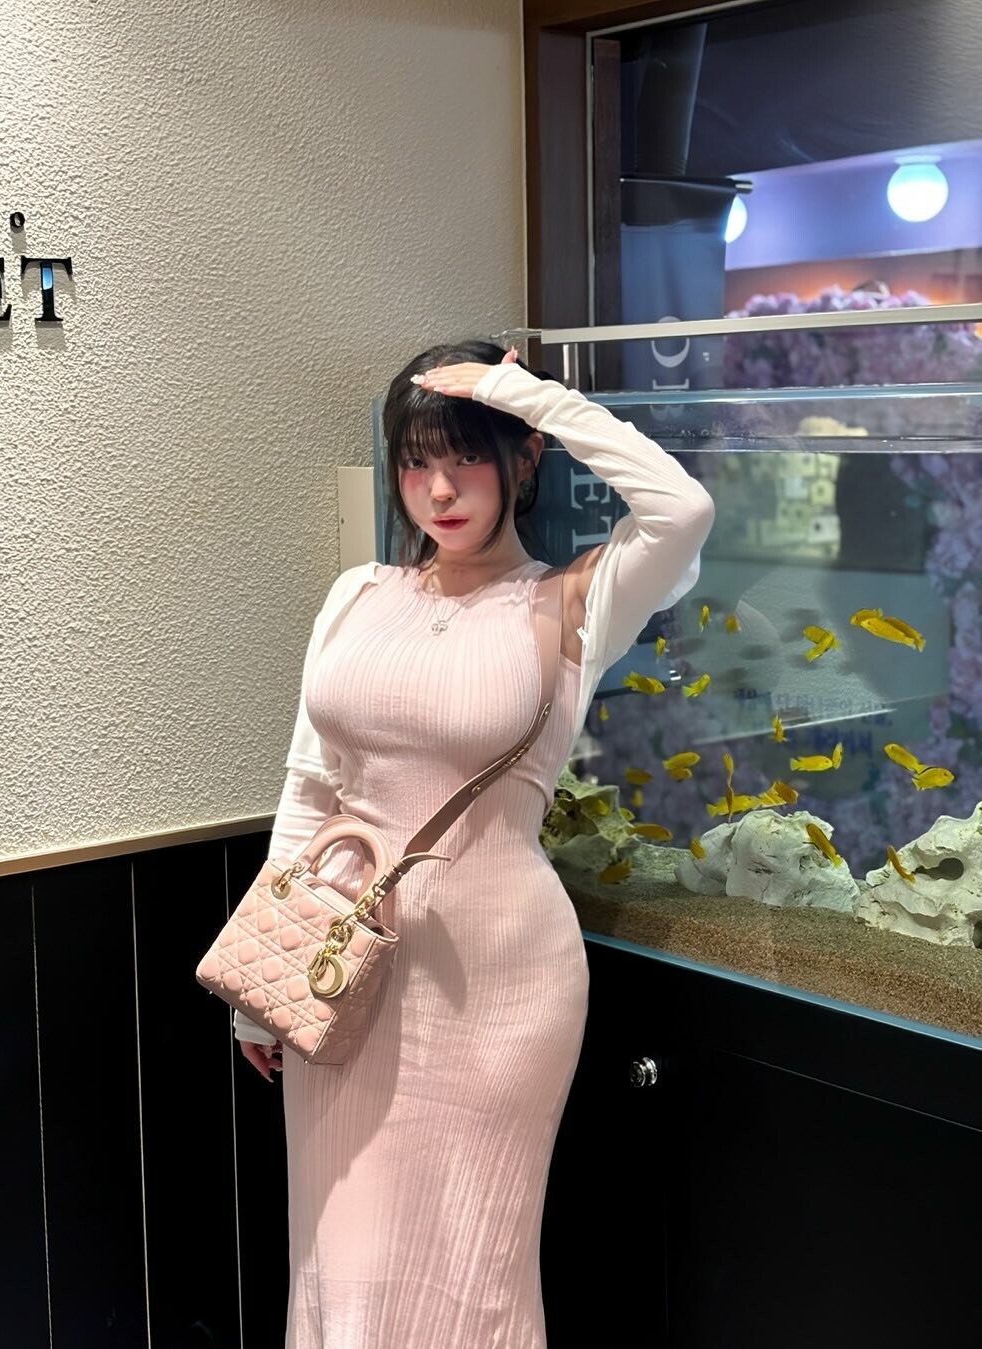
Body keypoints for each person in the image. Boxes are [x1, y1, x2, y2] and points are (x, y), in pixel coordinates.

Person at [234, 339, 715, 1346]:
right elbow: (310, 786)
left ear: (522, 456)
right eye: (416, 463)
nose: (440, 490)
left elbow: (682, 509)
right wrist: (262, 980)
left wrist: (519, 391)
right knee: (342, 1261)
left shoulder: (574, 600)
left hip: (500, 984)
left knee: (473, 1266)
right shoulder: (357, 594)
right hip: (338, 969)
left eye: (467, 457)